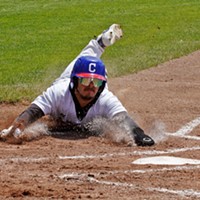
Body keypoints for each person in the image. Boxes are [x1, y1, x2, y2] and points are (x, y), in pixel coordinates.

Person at [0, 24, 155, 146]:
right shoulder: (59, 92)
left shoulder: (105, 98)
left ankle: (102, 43)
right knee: (85, 59)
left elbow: (124, 119)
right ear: (75, 82)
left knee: (90, 64)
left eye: (96, 83)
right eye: (86, 81)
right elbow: (33, 111)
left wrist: (140, 136)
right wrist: (17, 127)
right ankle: (101, 42)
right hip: (70, 75)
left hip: (85, 74)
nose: (91, 86)